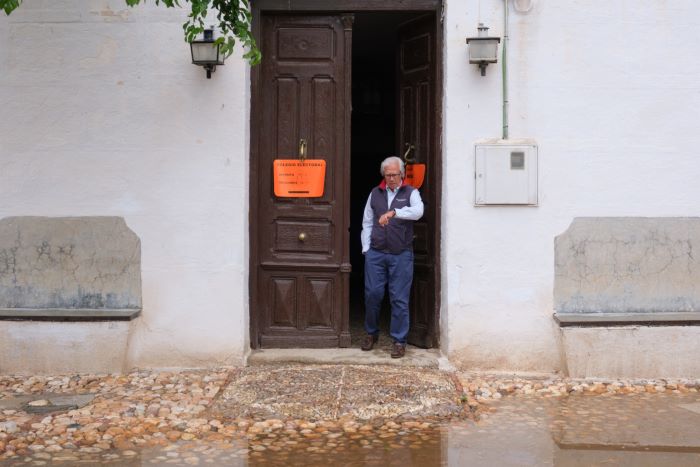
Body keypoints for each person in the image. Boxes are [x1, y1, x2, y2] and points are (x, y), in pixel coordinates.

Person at [360, 156, 424, 358]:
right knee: (373, 295)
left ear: (402, 174)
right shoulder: (375, 193)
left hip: (401, 255)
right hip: (376, 254)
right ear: (383, 175)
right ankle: (371, 333)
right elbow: (367, 223)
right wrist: (366, 249)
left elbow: (418, 212)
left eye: (395, 175)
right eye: (387, 175)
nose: (391, 179)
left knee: (399, 298)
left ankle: (399, 340)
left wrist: (395, 212)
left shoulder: (411, 192)